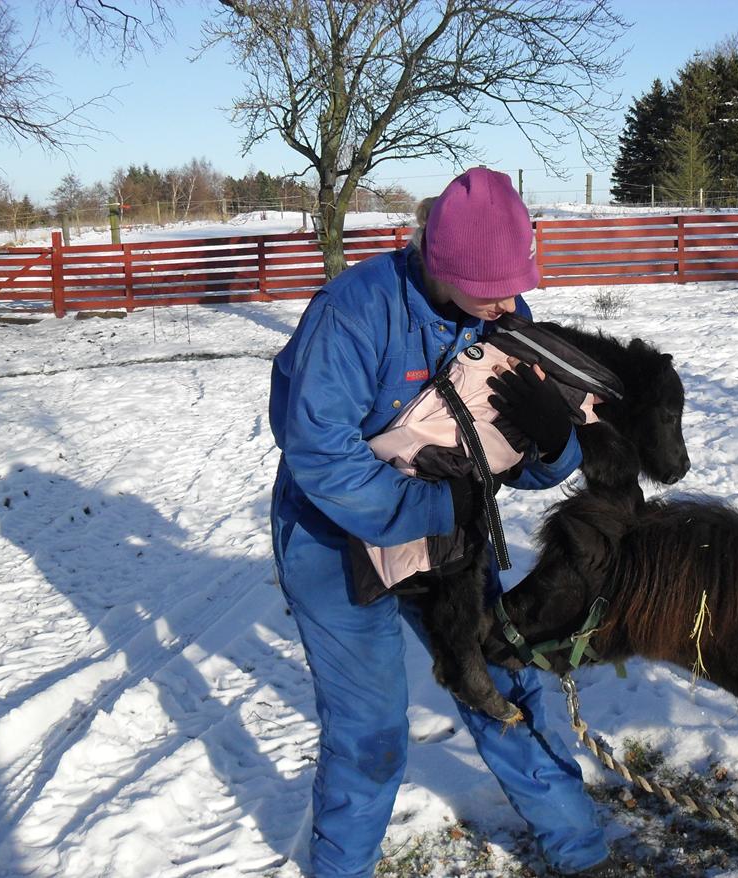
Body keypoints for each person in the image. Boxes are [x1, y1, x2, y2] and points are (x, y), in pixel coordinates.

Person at [268, 167, 614, 877]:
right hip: (336, 535)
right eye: (489, 290)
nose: (506, 303)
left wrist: (554, 442)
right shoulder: (354, 313)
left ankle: (581, 850)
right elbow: (319, 454)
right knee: (372, 728)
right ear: (441, 265)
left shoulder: (500, 315)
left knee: (502, 679)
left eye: (513, 286)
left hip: (449, 526)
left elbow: (520, 463)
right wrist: (434, 509)